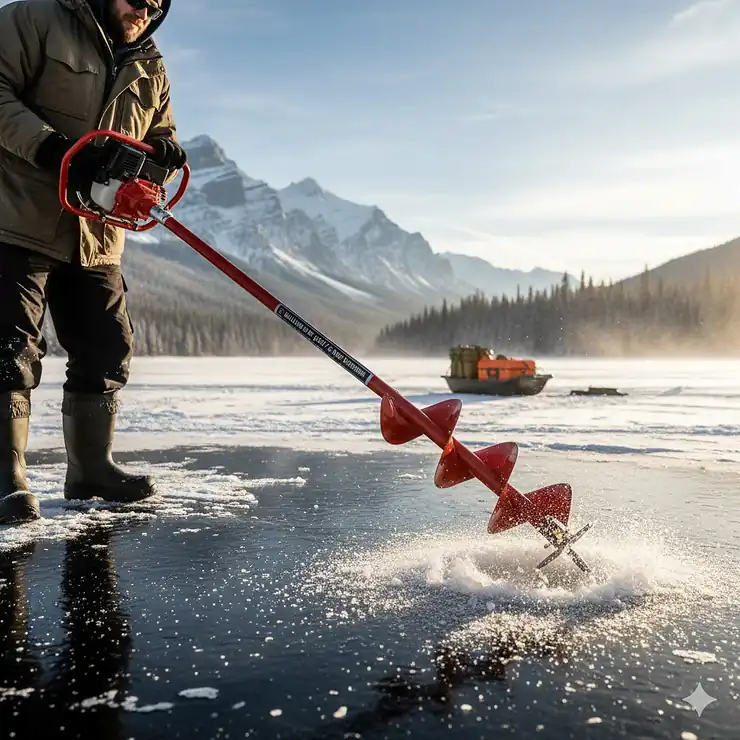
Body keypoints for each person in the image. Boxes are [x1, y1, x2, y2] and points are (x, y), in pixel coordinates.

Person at [0, 0, 188, 525]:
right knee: (8, 346)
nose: (146, 9)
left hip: (97, 233)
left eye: (157, 4)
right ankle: (5, 476)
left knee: (107, 347)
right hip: (15, 217)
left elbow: (164, 136)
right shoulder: (32, 18)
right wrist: (56, 151)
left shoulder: (151, 67)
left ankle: (90, 469)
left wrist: (161, 155)